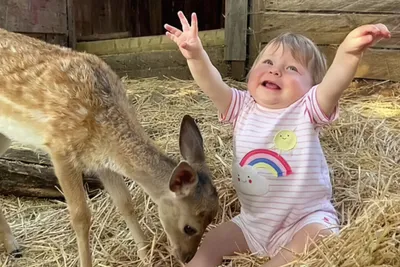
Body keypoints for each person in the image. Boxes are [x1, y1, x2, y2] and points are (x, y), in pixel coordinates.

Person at [164, 11, 391, 267]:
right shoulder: (240, 106)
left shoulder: (308, 109)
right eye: (268, 62)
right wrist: (195, 55)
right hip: (254, 222)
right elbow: (211, 82)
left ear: (311, 88)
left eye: (292, 68)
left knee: (320, 238)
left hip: (304, 220)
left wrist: (348, 54)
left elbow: (334, 84)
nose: (275, 71)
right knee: (214, 240)